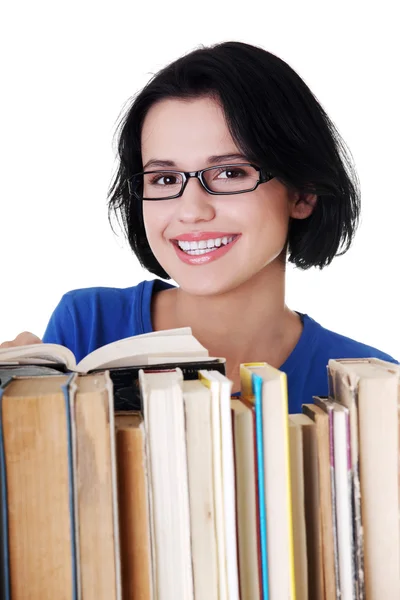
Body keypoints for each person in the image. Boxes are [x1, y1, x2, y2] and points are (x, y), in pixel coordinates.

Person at [1, 41, 397, 412]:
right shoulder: (87, 325)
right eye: (165, 179)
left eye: (229, 172)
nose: (191, 210)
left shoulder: (372, 385)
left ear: (303, 194)